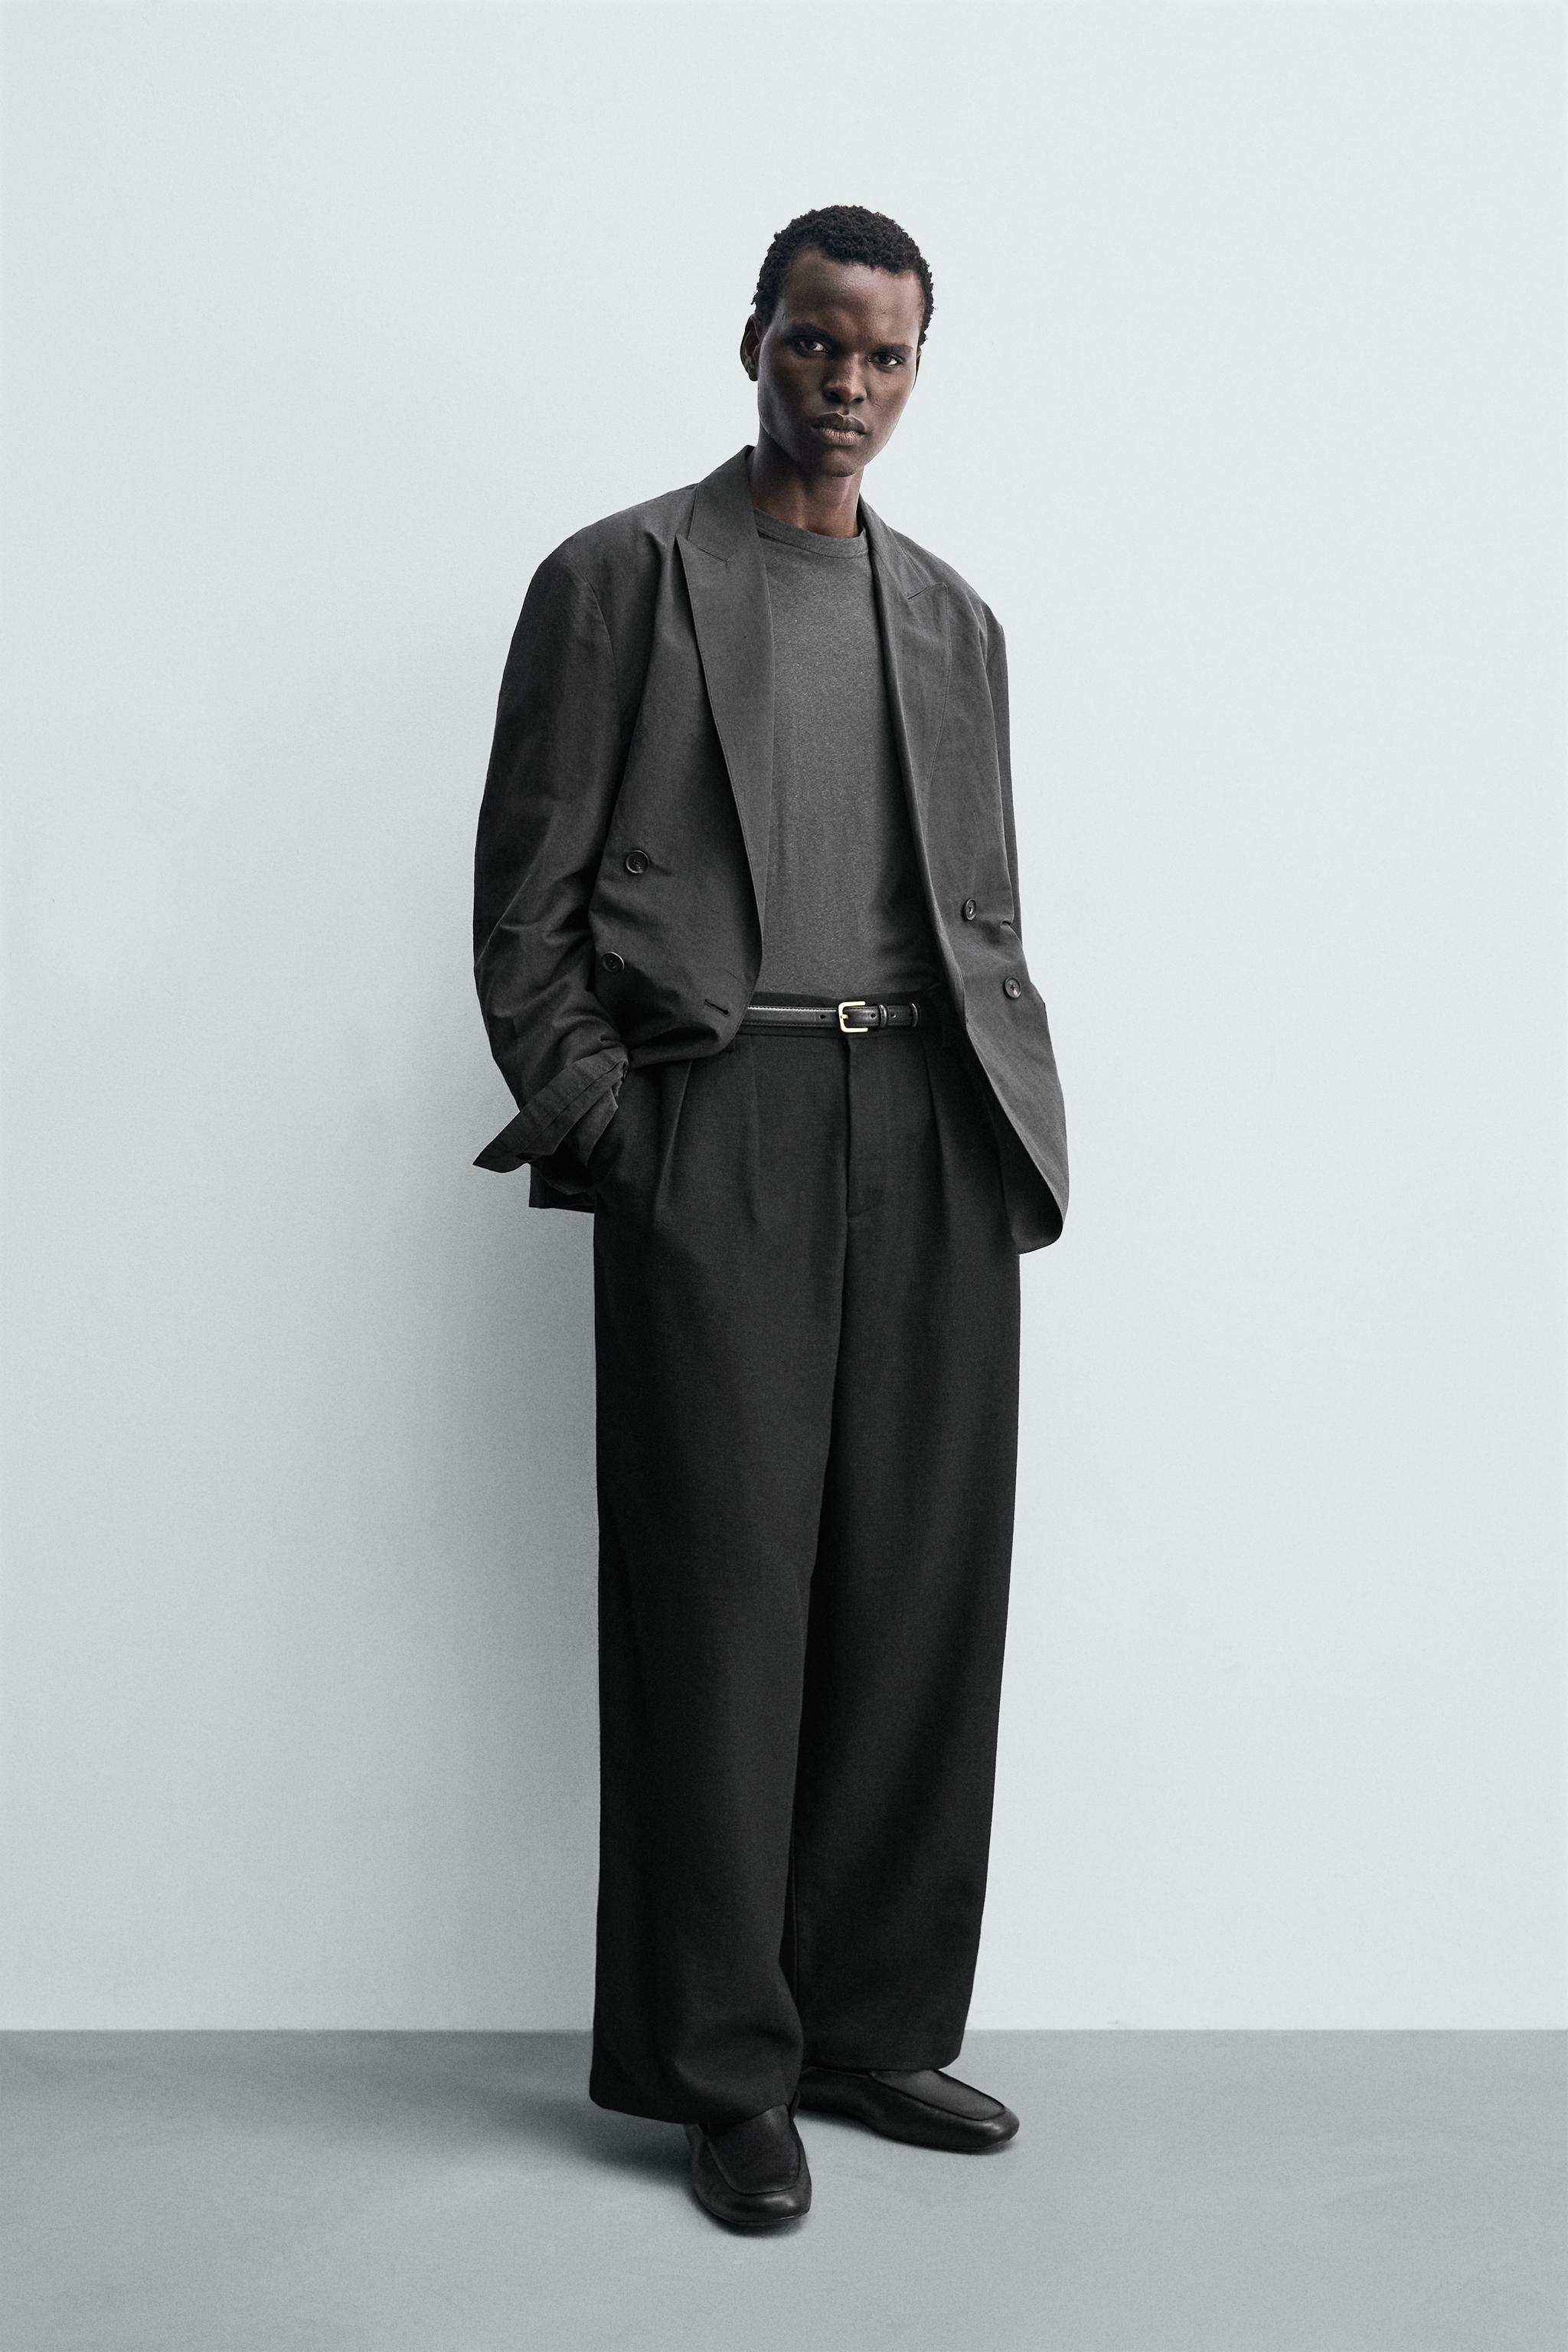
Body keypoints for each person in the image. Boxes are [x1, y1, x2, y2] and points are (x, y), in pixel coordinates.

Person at [472, 204, 1068, 2230]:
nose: (849, 385)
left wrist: (1010, 1118)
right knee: (721, 1598)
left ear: (917, 374)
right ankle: (722, 2070)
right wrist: (609, 1118)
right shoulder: (620, 578)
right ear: (755, 341)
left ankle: (869, 2024)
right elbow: (527, 905)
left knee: (916, 1594)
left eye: (887, 356)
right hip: (718, 1114)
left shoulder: (957, 622)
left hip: (933, 1124)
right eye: (818, 342)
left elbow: (982, 911)